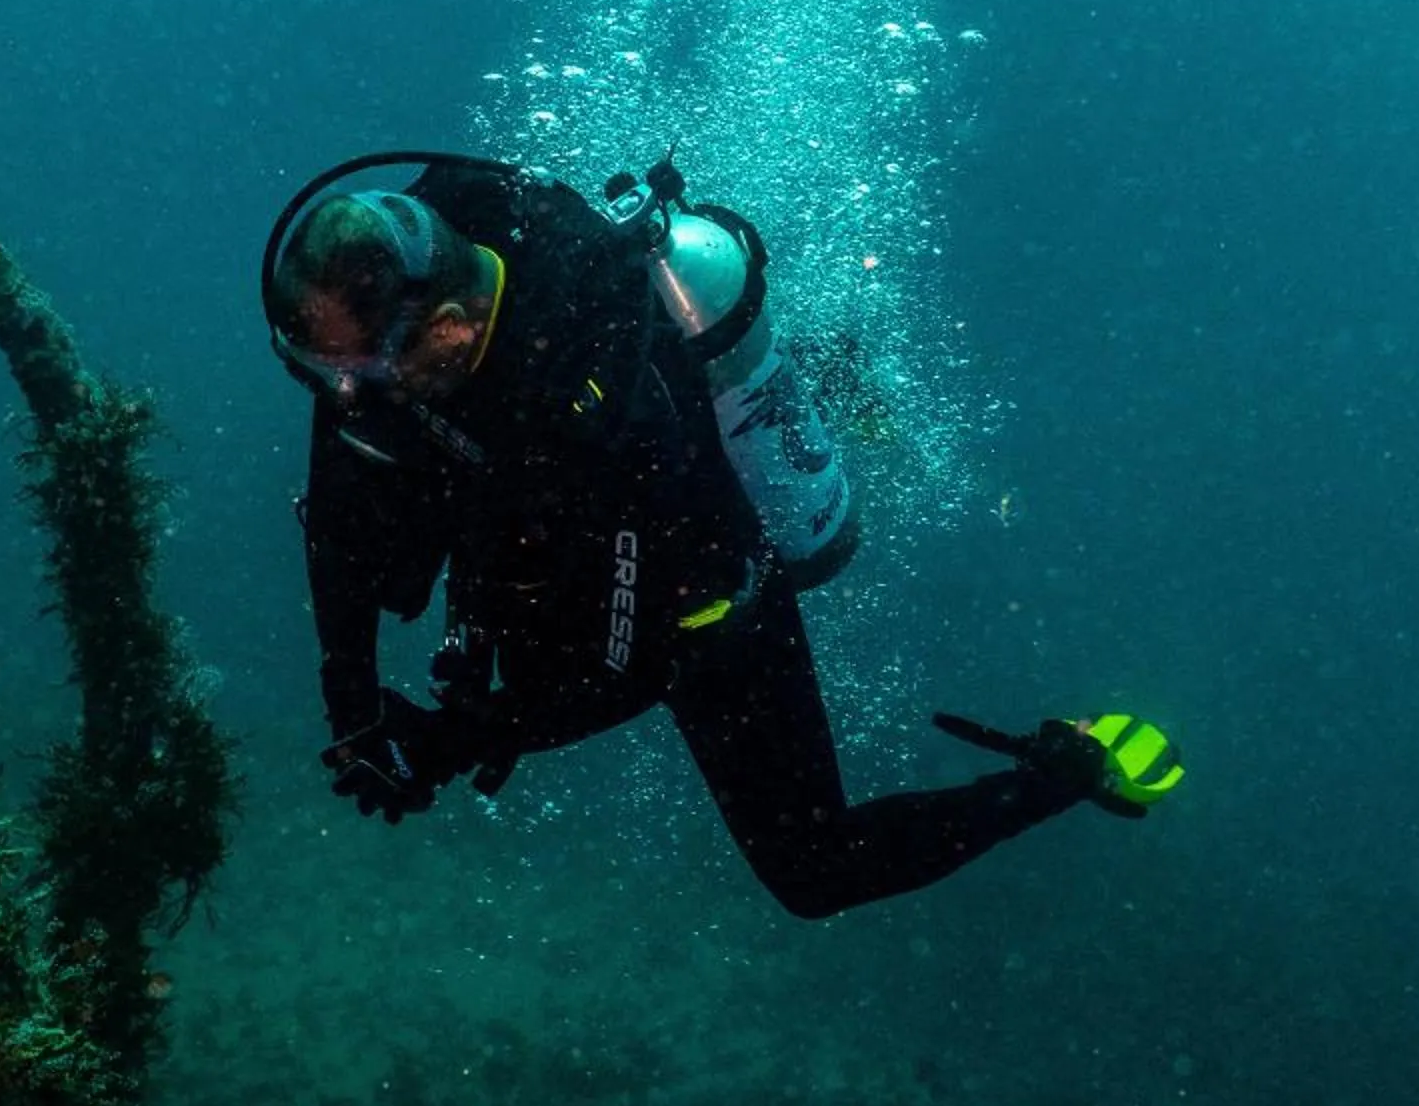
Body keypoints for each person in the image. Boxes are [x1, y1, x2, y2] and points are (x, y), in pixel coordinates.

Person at [263, 150, 1179, 919]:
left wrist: (456, 740)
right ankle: (825, 365)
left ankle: (1066, 771)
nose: (340, 394)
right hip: (526, 517)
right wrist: (353, 707)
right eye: (318, 367)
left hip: (699, 592)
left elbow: (632, 667)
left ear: (453, 331)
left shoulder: (599, 412)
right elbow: (339, 516)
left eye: (354, 371)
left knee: (815, 870)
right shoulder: (385, 326)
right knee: (391, 535)